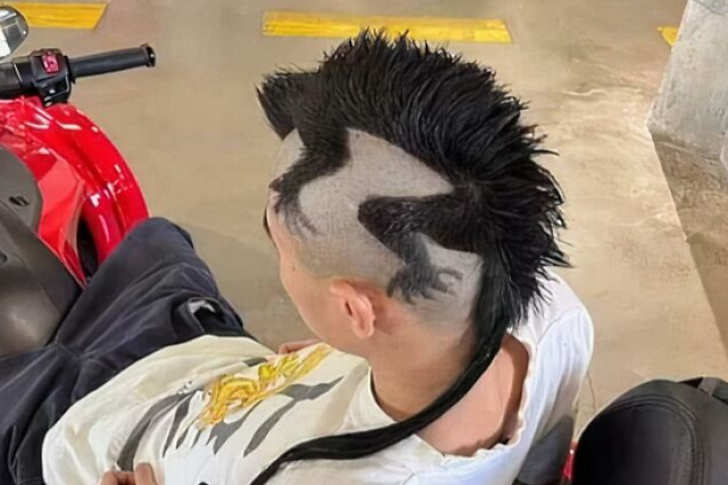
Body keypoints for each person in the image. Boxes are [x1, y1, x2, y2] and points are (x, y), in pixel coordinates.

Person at [2, 32, 592, 485]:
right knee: (157, 238)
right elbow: (535, 468)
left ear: (356, 309)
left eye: (281, 247)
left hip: (81, 434)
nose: (278, 256)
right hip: (215, 371)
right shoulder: (554, 320)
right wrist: (345, 353)